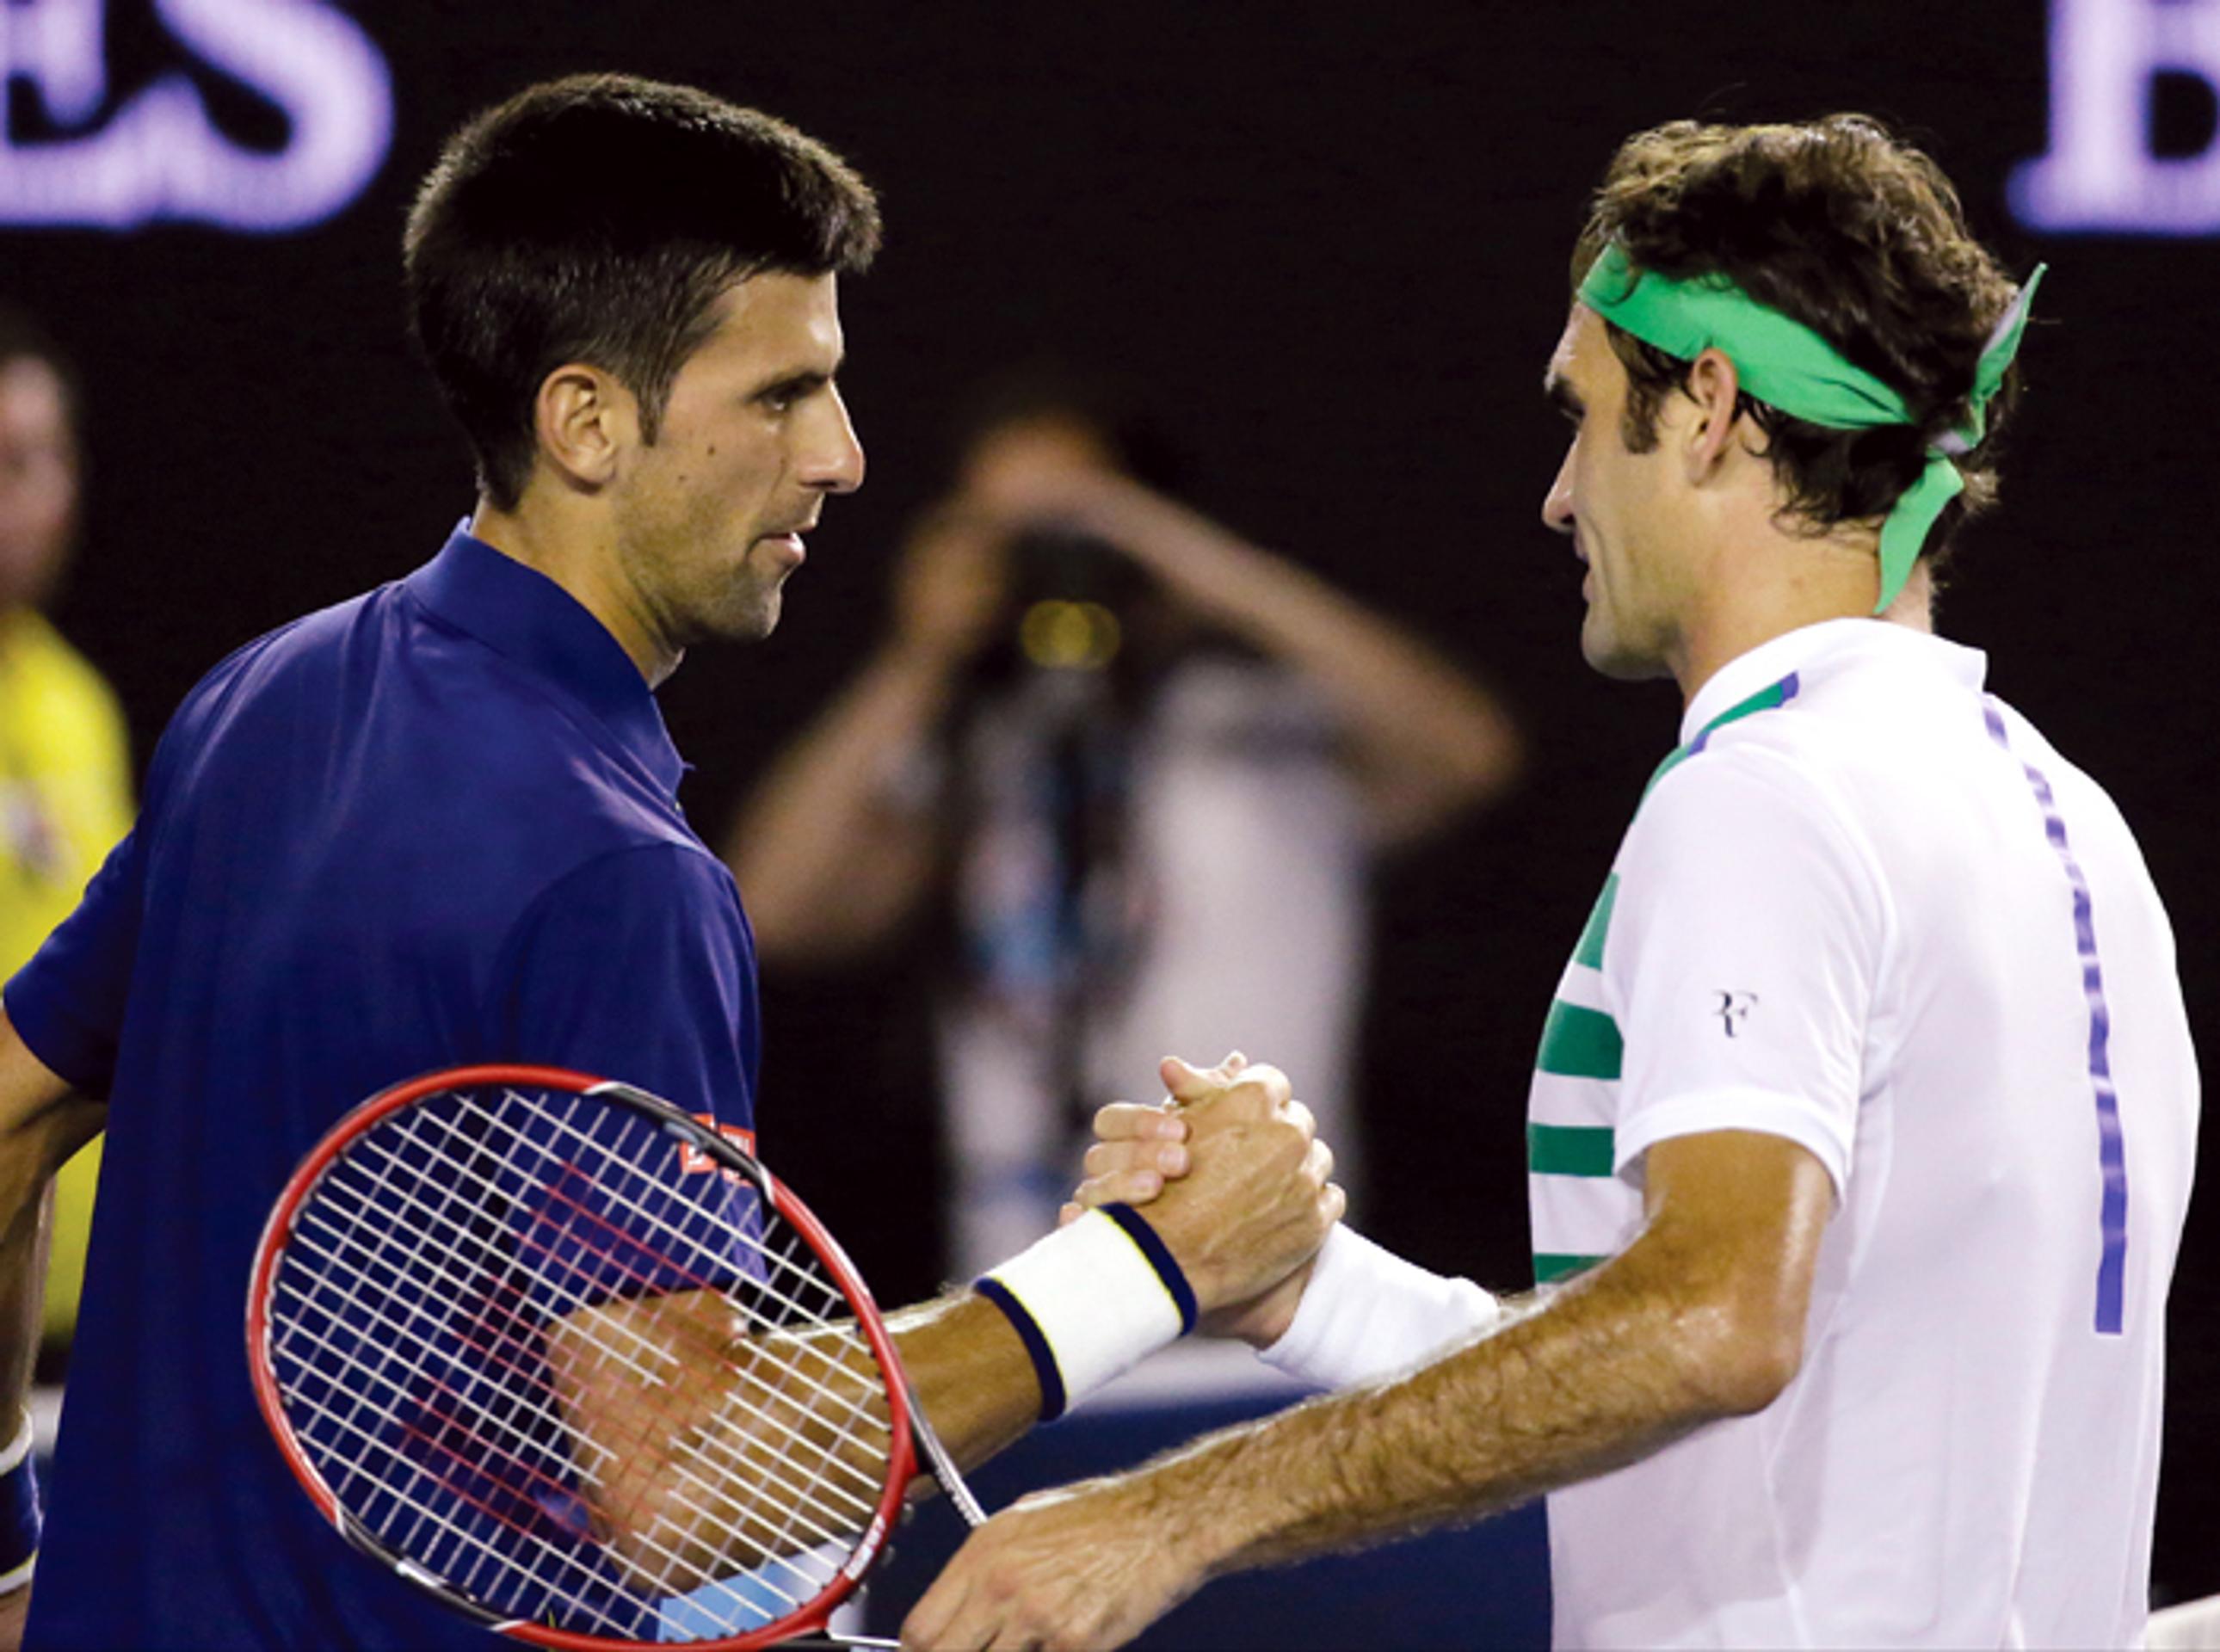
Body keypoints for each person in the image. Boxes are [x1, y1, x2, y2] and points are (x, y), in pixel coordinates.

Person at [0, 76, 1337, 1650]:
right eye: (780, 393)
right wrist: (1142, 1272)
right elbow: (684, 1478)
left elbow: (11, 1120)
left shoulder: (264, 699)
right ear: (584, 421)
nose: (840, 454)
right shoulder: (615, 875)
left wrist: (16, 1558)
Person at [902, 114, 2199, 1650]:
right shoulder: (2059, 813)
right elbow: (1695, 1372)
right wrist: (1303, 1293)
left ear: (1708, 407)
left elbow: (1711, 1326)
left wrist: (1167, 1515)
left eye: (1583, 417)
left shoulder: (1764, 801)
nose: (1561, 496)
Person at [728, 376, 1520, 1272]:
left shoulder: (1259, 730)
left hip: (1264, 1298)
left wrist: (1177, 555)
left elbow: (1470, 754)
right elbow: (776, 908)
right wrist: (920, 655)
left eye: (1074, 522)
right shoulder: (973, 749)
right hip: (1027, 1300)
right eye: (1010, 535)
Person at [0, 309, 132, 1368]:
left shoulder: (75, 703)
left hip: (69, 1340)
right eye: (3, 463)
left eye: (42, 460)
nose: (28, 499)